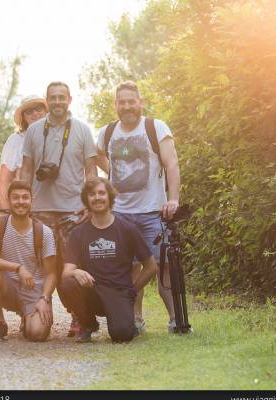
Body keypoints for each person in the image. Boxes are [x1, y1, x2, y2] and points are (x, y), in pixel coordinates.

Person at [95, 81, 181, 333]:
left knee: (162, 266)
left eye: (131, 101)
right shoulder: (108, 132)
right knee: (129, 268)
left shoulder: (155, 128)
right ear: (116, 106)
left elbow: (172, 164)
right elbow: (97, 153)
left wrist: (173, 198)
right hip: (119, 214)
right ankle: (136, 320)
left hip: (153, 212)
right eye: (122, 102)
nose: (127, 106)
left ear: (140, 102)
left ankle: (176, 320)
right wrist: (113, 172)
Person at [20, 81, 98, 336]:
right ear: (47, 100)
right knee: (38, 267)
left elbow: (91, 171)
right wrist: (23, 201)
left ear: (70, 100)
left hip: (72, 212)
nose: (57, 102)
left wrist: (89, 203)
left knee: (70, 268)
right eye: (52, 98)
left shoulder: (83, 130)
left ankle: (78, 316)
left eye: (61, 97)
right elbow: (27, 169)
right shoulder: (33, 131)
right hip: (40, 210)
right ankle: (33, 312)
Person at [60, 177, 157, 342]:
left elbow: (151, 266)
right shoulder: (79, 233)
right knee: (68, 283)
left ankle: (126, 323)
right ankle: (88, 324)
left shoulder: (128, 229)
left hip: (119, 292)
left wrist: (132, 291)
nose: (97, 197)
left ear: (109, 197)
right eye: (92, 194)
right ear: (87, 200)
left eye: (101, 193)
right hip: (92, 291)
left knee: (121, 335)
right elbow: (65, 273)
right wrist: (76, 272)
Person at [0, 180, 57, 341]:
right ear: (8, 200)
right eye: (16, 197)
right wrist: (18, 268)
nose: (20, 202)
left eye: (25, 197)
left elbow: (51, 274)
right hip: (8, 287)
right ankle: (0, 324)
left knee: (36, 334)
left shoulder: (44, 232)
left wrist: (44, 299)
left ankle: (28, 316)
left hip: (33, 289)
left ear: (31, 201)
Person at [0, 95, 48, 209]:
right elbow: (4, 180)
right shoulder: (16, 140)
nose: (35, 113)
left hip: (56, 206)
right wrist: (7, 212)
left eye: (39, 109)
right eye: (29, 111)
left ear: (46, 111)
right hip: (24, 208)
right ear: (24, 117)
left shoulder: (59, 136)